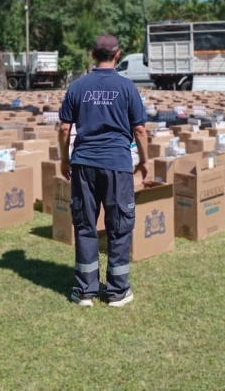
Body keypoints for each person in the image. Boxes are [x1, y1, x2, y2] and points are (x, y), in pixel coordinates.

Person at [59, 34, 148, 308]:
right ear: (118, 55)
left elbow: (64, 128)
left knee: (86, 225)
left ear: (92, 55)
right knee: (119, 227)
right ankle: (117, 292)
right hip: (117, 166)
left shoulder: (77, 86)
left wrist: (64, 160)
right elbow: (140, 129)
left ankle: (85, 291)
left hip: (84, 164)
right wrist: (145, 161)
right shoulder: (127, 87)